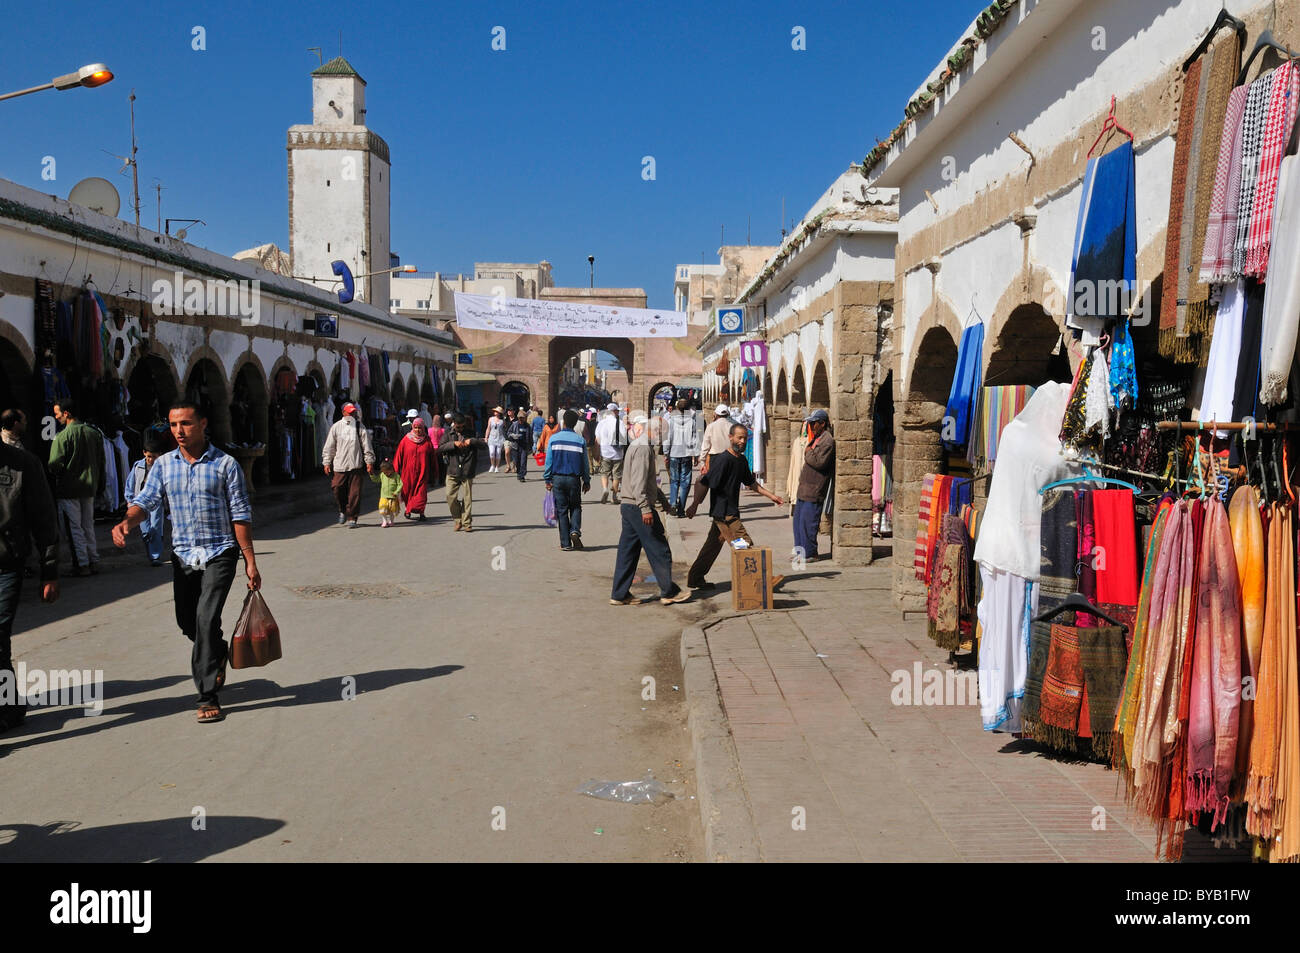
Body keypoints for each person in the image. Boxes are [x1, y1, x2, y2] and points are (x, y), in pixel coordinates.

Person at [111, 401, 259, 724]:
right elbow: (146, 501)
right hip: (183, 555)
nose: (179, 431)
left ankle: (207, 695)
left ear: (203, 424)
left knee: (206, 618)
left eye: (186, 424)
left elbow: (240, 515)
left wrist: (250, 560)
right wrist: (127, 523)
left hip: (220, 552)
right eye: (174, 425)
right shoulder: (163, 465)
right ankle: (217, 651)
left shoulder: (226, 465)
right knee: (187, 622)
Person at [0, 438, 60, 733]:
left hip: (6, 565)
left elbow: (44, 520)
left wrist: (50, 572)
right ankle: (9, 705)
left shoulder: (24, 465)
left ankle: (7, 708)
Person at [685, 423, 785, 590]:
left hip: (726, 514)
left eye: (745, 438)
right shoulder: (723, 460)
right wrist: (694, 505)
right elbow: (703, 482)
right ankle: (762, 580)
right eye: (739, 437)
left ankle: (695, 578)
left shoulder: (741, 460)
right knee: (744, 544)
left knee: (712, 547)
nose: (743, 441)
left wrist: (772, 496)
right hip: (725, 515)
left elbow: (751, 483)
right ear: (730, 437)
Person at [610, 412, 690, 606]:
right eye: (664, 435)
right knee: (659, 549)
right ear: (656, 432)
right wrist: (646, 509)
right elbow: (639, 484)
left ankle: (619, 594)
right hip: (638, 507)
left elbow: (650, 482)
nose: (665, 440)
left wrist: (664, 504)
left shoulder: (639, 445)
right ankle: (668, 591)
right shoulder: (643, 448)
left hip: (630, 505)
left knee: (628, 552)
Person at [47, 398, 105, 576]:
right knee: (88, 525)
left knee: (75, 528)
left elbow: (54, 464)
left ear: (66, 413)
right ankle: (93, 560)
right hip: (89, 488)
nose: (56, 417)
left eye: (57, 414)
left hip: (69, 490)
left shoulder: (62, 436)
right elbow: (102, 462)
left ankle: (82, 564)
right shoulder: (94, 433)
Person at [322, 402, 375, 528]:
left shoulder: (359, 427)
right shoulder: (336, 427)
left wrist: (369, 462)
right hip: (340, 465)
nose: (352, 414)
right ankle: (343, 510)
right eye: (350, 412)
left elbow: (367, 445)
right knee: (337, 488)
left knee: (354, 493)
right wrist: (326, 462)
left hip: (355, 465)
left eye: (354, 412)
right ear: (343, 413)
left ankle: (352, 517)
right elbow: (330, 446)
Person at [544, 409, 591, 551]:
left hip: (557, 479)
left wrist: (547, 479)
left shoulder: (554, 438)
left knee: (562, 510)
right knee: (575, 506)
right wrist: (586, 480)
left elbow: (549, 461)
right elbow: (585, 464)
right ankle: (575, 530)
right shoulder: (580, 440)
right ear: (576, 423)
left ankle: (565, 543)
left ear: (563, 422)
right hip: (574, 479)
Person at [126, 426, 172, 566]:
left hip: (156, 502)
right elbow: (130, 484)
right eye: (149, 456)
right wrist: (129, 500)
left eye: (154, 457)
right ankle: (151, 553)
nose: (151, 459)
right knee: (145, 530)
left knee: (156, 527)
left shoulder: (163, 468)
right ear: (144, 453)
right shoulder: (137, 466)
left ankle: (155, 556)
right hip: (140, 503)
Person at [794, 409, 836, 560]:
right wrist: (809, 450)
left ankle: (810, 552)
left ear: (822, 423)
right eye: (810, 423)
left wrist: (807, 452)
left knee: (809, 523)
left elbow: (819, 462)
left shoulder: (827, 440)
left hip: (814, 488)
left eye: (813, 423)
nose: (810, 426)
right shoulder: (817, 438)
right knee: (799, 522)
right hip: (804, 488)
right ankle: (800, 551)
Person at [439, 414, 488, 531]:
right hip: (453, 470)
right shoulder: (448, 434)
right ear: (453, 424)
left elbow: (484, 446)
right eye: (457, 427)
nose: (460, 429)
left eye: (462, 427)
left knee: (467, 499)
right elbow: (440, 448)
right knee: (450, 496)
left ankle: (467, 523)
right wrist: (453, 444)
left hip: (467, 469)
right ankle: (457, 520)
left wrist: (472, 441)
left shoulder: (471, 433)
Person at [393, 417, 436, 520]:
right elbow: (399, 455)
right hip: (407, 473)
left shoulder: (427, 441)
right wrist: (394, 472)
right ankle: (408, 509)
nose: (417, 430)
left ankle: (421, 512)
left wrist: (435, 473)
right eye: (415, 428)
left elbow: (433, 458)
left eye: (420, 428)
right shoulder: (406, 440)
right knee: (407, 492)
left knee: (421, 494)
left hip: (422, 472)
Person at [663, 398, 700, 518]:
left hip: (674, 453)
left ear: (677, 408)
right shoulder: (692, 421)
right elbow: (695, 438)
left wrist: (666, 452)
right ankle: (681, 508)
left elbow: (667, 437)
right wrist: (696, 454)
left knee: (674, 480)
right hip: (687, 454)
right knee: (685, 482)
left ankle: (673, 503)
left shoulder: (671, 420)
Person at [595, 402, 626, 504]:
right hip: (617, 453)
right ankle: (614, 497)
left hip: (605, 452)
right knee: (616, 475)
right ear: (614, 411)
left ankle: (605, 489)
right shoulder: (620, 422)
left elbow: (597, 438)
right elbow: (624, 437)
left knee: (604, 473)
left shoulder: (601, 423)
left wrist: (599, 450)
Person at [697, 403, 736, 472]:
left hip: (715, 459)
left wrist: (702, 461)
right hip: (731, 459)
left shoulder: (710, 427)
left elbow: (705, 446)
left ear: (715, 414)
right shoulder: (733, 427)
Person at [370, 458, 403, 527]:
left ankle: (391, 521)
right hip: (384, 496)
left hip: (393, 496)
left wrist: (396, 492)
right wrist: (371, 474)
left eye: (387, 472)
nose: (386, 474)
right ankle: (384, 521)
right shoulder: (382, 475)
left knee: (392, 510)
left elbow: (400, 484)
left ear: (392, 469)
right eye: (384, 472)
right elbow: (376, 480)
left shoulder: (396, 476)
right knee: (382, 508)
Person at [506, 410, 532, 482]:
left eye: (522, 418)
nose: (521, 419)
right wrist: (513, 436)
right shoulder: (514, 424)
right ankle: (519, 473)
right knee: (517, 461)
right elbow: (508, 433)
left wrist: (531, 446)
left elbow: (530, 436)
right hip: (515, 445)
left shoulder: (527, 426)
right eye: (520, 418)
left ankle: (522, 475)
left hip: (524, 446)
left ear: (525, 418)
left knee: (523, 461)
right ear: (518, 418)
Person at [485, 407, 506, 473]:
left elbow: (505, 429)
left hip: (500, 438)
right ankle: (492, 465)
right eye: (494, 411)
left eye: (496, 411)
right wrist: (486, 437)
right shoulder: (491, 419)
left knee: (498, 453)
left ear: (499, 413)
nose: (495, 412)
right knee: (492, 452)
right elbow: (488, 428)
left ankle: (497, 467)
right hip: (492, 438)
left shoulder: (502, 421)